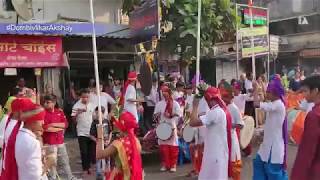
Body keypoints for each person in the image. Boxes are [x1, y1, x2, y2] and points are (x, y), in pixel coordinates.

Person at [189, 87, 232, 180]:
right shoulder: (219, 111)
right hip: (215, 154)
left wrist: (195, 105)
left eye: (206, 99)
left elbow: (192, 122)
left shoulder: (216, 112)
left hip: (215, 156)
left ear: (210, 99)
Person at [253, 76, 288, 180]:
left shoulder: (278, 105)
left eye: (268, 92)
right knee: (258, 164)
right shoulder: (274, 104)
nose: (266, 93)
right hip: (266, 146)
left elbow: (256, 104)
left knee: (274, 173)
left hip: (274, 148)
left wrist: (255, 89)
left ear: (275, 93)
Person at [96, 111, 143, 180]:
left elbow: (99, 155)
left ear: (122, 128)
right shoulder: (136, 141)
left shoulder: (118, 144)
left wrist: (99, 136)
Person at [291, 76, 320, 180]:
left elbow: (307, 151)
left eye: (306, 91)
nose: (303, 95)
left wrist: (297, 176)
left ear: (315, 91)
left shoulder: (314, 115)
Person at [42, 95, 76, 180]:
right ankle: (52, 178)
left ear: (54, 103)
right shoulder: (43, 113)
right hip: (50, 143)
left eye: (48, 102)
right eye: (45, 102)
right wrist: (59, 128)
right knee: (52, 163)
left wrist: (53, 124)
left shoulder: (59, 112)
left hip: (60, 141)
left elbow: (65, 124)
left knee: (65, 161)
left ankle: (69, 177)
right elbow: (46, 128)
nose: (45, 104)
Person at [154, 85, 182, 172]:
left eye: (165, 91)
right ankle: (165, 164)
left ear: (169, 92)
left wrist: (171, 115)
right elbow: (155, 115)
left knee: (173, 146)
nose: (164, 93)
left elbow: (179, 114)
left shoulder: (175, 103)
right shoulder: (159, 104)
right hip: (162, 126)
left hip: (172, 125)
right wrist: (157, 115)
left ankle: (173, 165)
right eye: (162, 92)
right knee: (163, 147)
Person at [221, 83, 244, 180]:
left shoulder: (234, 108)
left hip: (232, 137)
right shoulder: (223, 107)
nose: (223, 100)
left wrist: (229, 125)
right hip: (224, 138)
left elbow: (241, 124)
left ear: (230, 98)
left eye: (225, 98)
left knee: (234, 161)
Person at [71, 89, 95, 177]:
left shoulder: (92, 105)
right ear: (80, 97)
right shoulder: (76, 106)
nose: (85, 99)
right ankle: (85, 168)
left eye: (87, 97)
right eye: (83, 97)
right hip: (81, 132)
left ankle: (89, 167)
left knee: (90, 151)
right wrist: (78, 113)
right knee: (84, 151)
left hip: (91, 132)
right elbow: (73, 119)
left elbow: (94, 116)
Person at [90, 106, 110, 180]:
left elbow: (110, 132)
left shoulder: (106, 121)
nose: (97, 114)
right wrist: (97, 141)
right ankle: (98, 175)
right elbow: (91, 135)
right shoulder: (94, 122)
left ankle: (108, 173)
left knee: (108, 158)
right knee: (98, 159)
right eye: (96, 112)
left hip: (106, 143)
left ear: (103, 113)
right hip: (98, 144)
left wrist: (108, 140)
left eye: (99, 112)